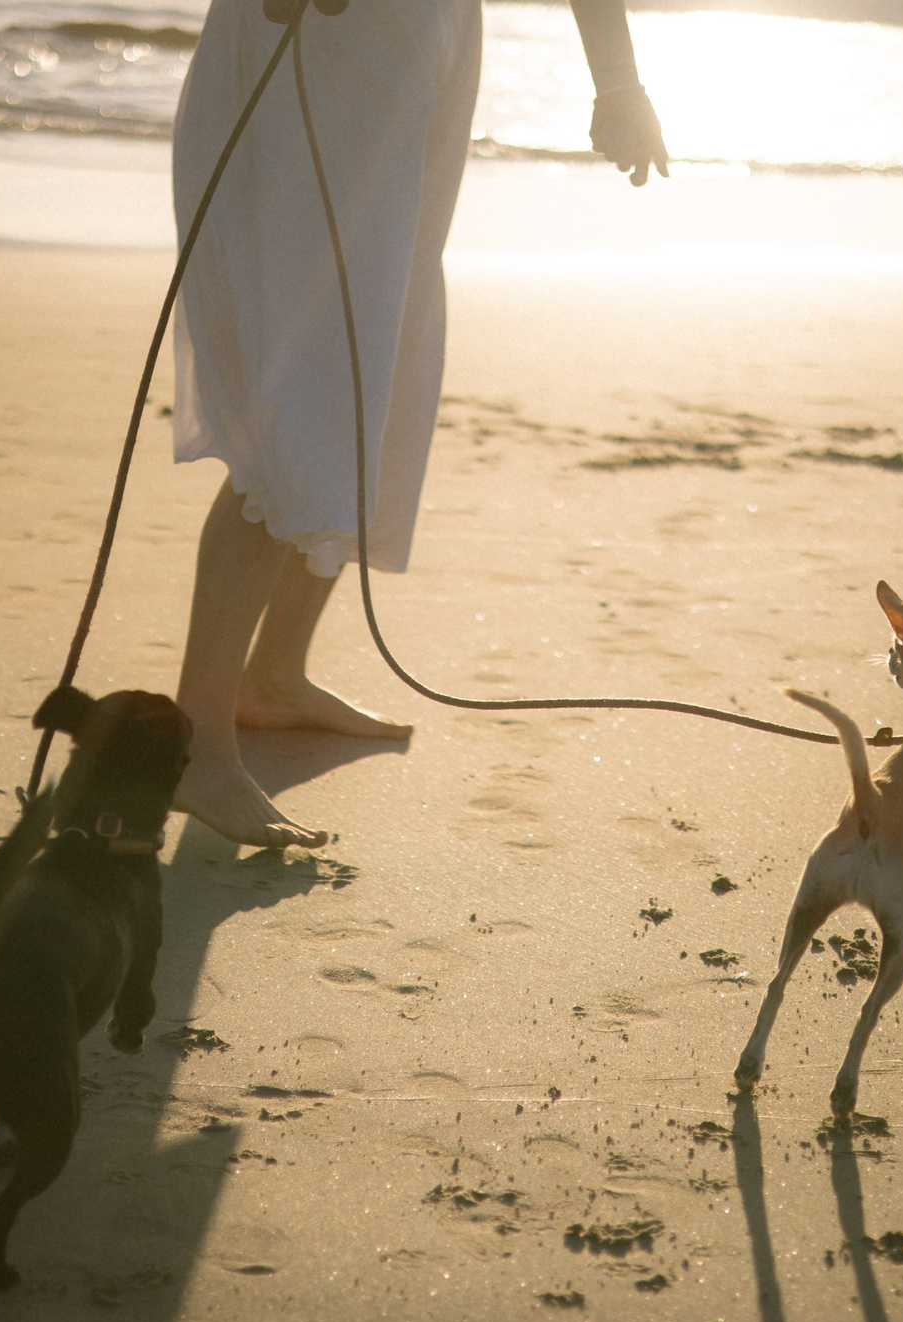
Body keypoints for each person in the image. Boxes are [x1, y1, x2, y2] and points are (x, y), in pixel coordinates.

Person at [167, 0, 669, 848]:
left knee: (382, 351)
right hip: (325, 36)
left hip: (428, 33)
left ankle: (276, 673)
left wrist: (617, 74)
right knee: (311, 373)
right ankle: (197, 744)